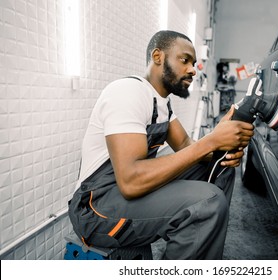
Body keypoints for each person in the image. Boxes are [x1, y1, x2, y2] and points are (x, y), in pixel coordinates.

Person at [68, 30, 254, 260]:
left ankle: (197, 249)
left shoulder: (163, 102)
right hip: (97, 207)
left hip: (123, 192)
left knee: (220, 165)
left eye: (194, 63)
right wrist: (211, 140)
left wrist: (220, 146)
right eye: (184, 60)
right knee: (208, 201)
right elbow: (130, 181)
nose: (192, 69)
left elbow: (185, 145)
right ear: (158, 57)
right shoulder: (128, 92)